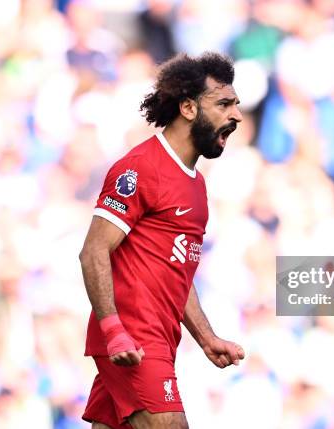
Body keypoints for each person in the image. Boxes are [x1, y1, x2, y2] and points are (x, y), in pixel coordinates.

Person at [79, 52, 246, 429]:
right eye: (224, 103)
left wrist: (205, 337)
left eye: (236, 104)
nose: (236, 115)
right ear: (188, 108)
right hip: (134, 337)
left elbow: (175, 270)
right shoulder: (139, 168)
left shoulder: (196, 186)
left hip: (157, 340)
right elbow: (93, 252)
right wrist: (113, 330)